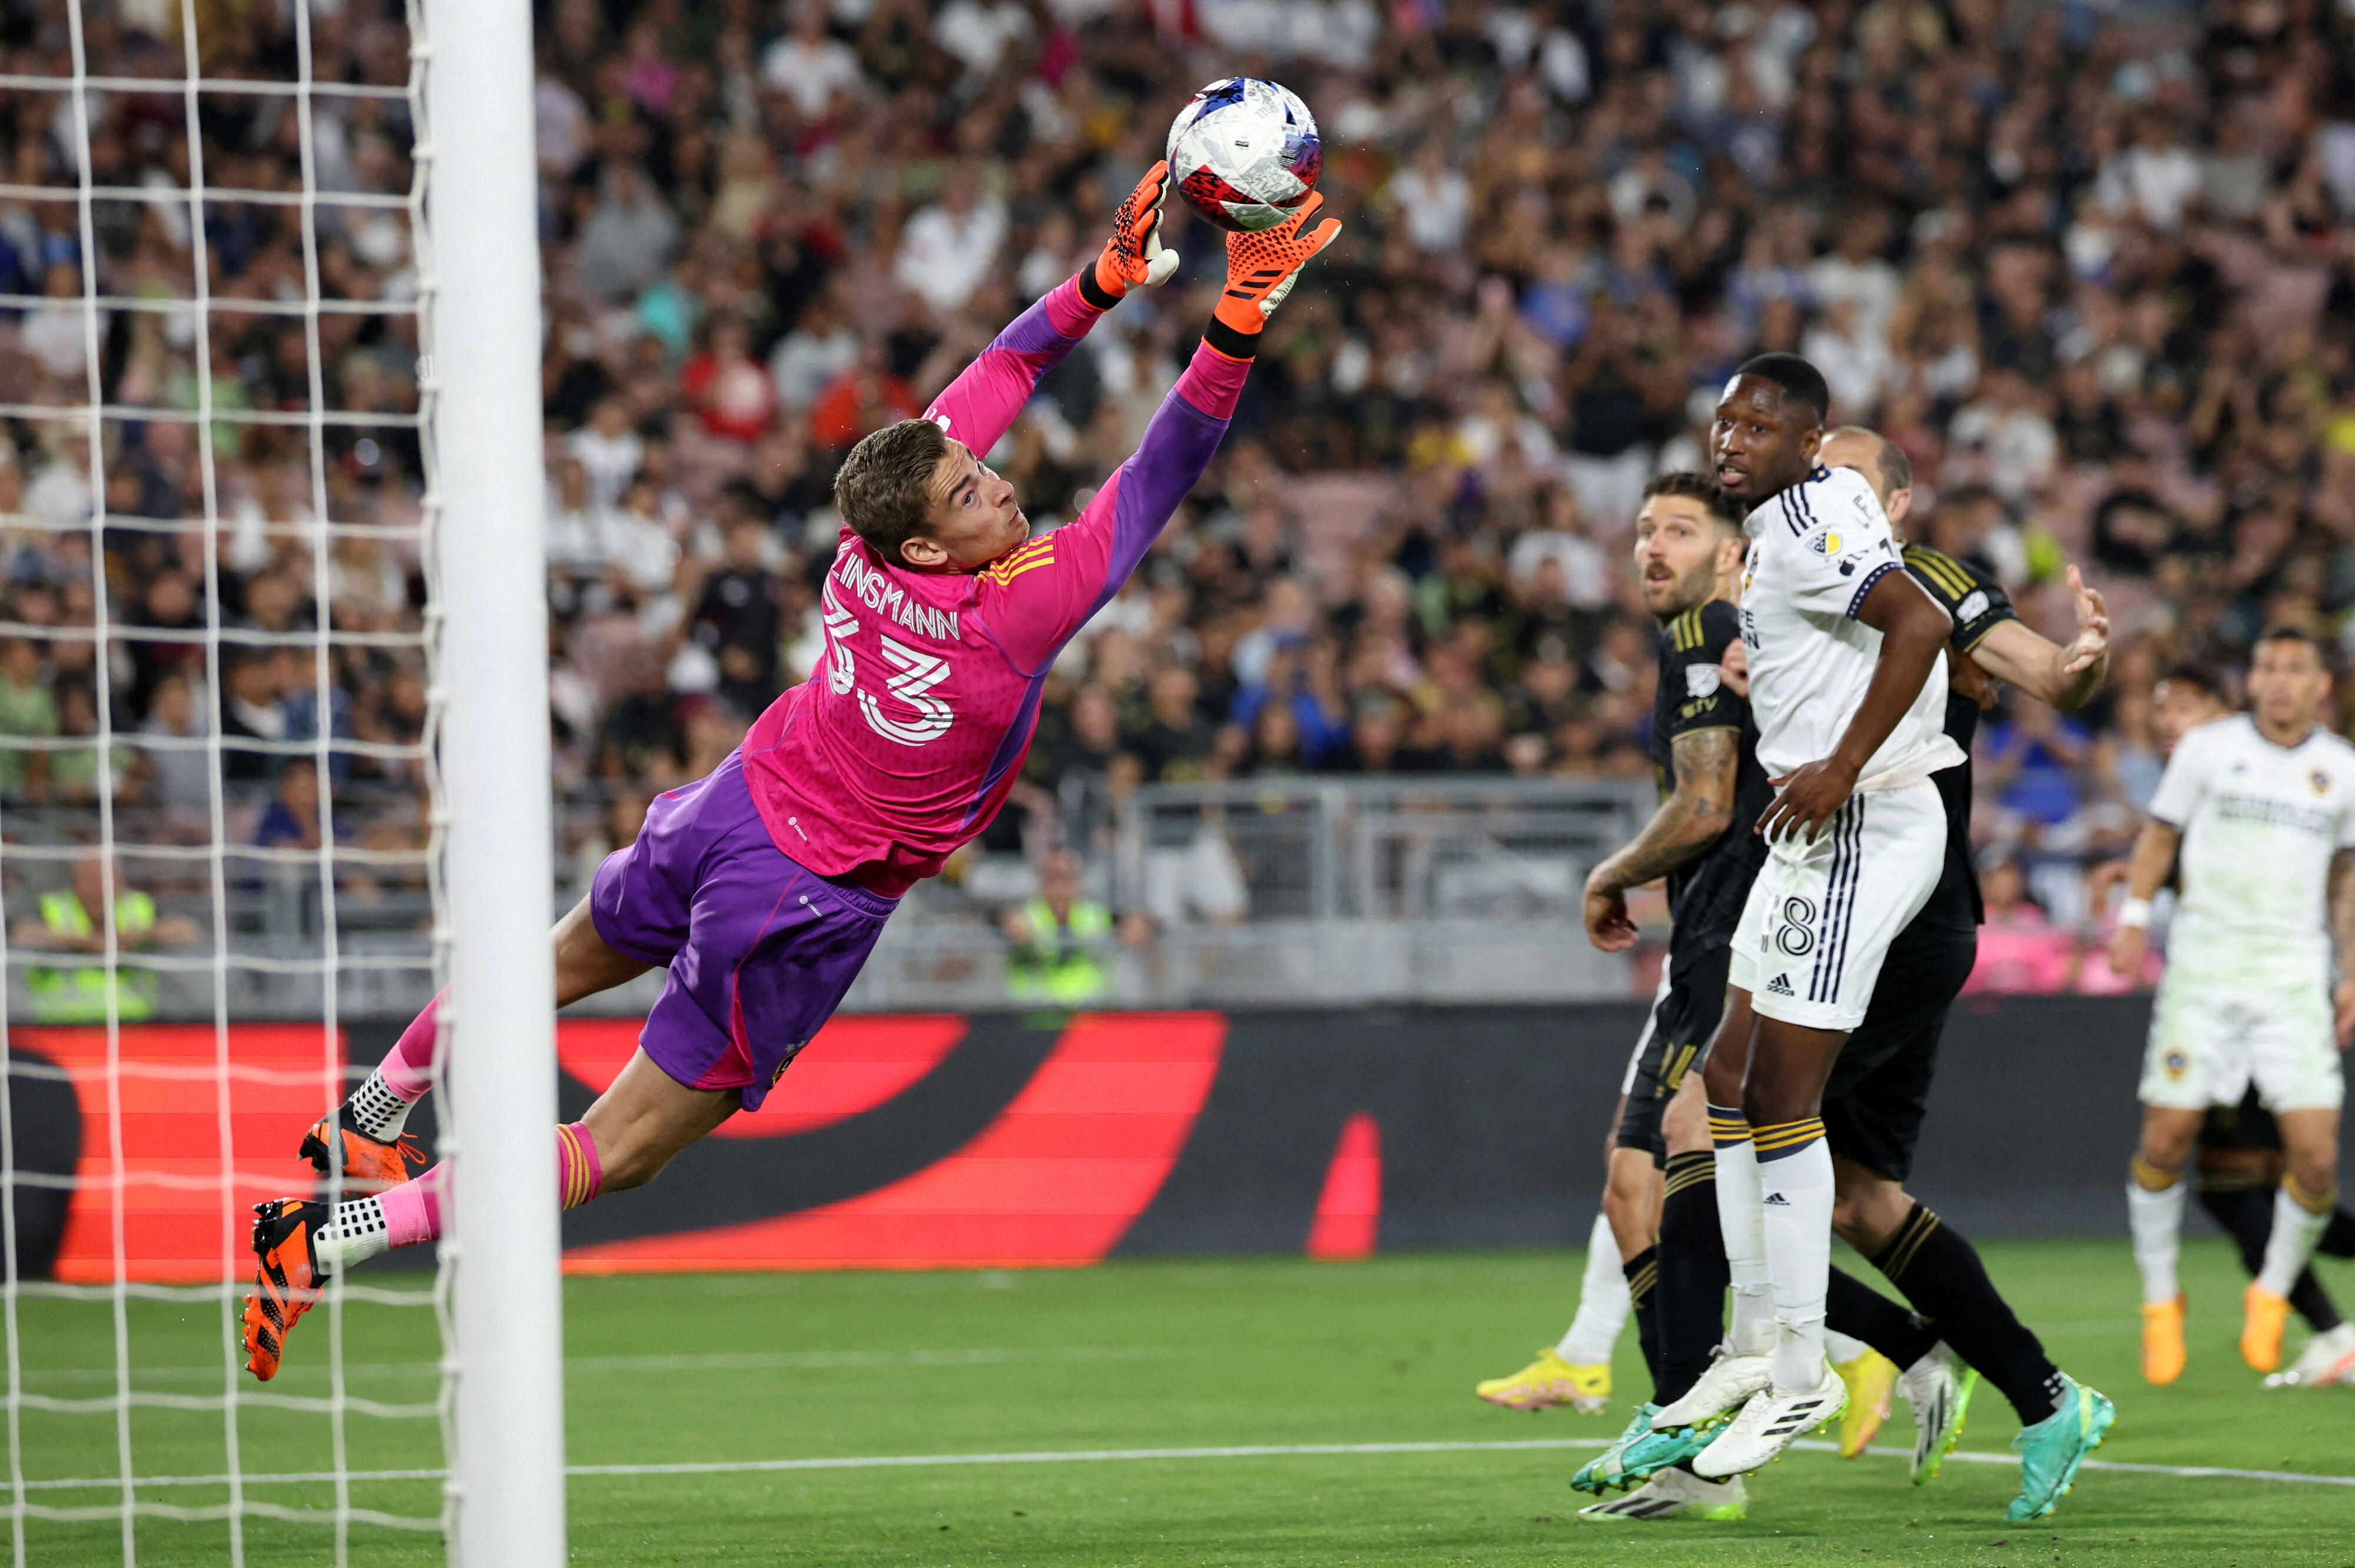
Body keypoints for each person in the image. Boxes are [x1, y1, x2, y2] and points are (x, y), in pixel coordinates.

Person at [238, 164, 1342, 1380]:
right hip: (801, 889)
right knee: (624, 1148)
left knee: (551, 963)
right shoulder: (1013, 617)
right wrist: (1237, 318)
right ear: (928, 539)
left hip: (729, 803)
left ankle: (371, 1112)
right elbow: (1159, 473)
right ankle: (325, 1235)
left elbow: (999, 377)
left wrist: (1098, 284)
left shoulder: (868, 543)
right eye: (974, 488)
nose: (1000, 482)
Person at [1591, 421, 2117, 1523]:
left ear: (1895, 503)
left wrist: (2073, 664)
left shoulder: (1922, 578)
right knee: (1858, 1198)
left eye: (1845, 478)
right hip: (1860, 895)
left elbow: (2033, 671)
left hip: (1903, 902)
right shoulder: (1786, 562)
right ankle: (2038, 1393)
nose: (1819, 492)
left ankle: (1710, 1410)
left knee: (1707, 1123)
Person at [1670, 354, 1968, 1481]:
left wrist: (1841, 766)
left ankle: (1800, 1376)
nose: (1730, 440)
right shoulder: (1819, 501)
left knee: (1786, 1100)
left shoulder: (1802, 526)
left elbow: (1921, 622)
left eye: (1757, 426)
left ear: (1808, 441)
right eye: (1725, 421)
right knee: (1732, 1082)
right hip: (1812, 831)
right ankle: (1759, 1345)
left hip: (1859, 822)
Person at [1475, 476, 1762, 1452]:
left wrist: (1611, 874)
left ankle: (1890, 1347)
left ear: (1730, 553)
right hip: (1710, 951)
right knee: (1636, 1184)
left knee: (1717, 1195)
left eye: (1681, 530)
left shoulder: (1705, 634)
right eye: (1644, 530)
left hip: (1739, 955)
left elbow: (1706, 806)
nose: (1654, 546)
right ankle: (1660, 1404)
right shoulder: (1721, 639)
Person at [2111, 624, 2355, 1388]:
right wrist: (2131, 921)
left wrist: (2350, 969)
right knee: (2168, 1135)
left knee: (2314, 1156)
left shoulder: (2341, 770)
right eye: (2267, 666)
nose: (2279, 680)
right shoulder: (2208, 750)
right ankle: (2161, 1301)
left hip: (2292, 979)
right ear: (2251, 679)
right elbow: (2158, 839)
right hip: (2207, 973)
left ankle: (2274, 1293)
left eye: (2295, 669)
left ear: (2322, 685)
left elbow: (2344, 878)